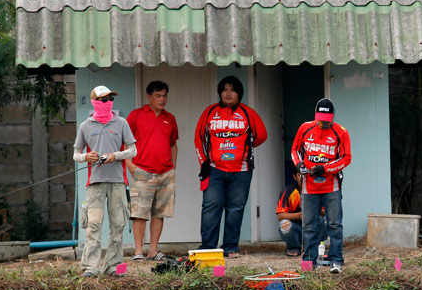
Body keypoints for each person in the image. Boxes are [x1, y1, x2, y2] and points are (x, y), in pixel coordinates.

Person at [194, 76, 267, 257]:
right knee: (211, 207)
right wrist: (203, 161)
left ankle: (230, 247)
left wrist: (245, 148)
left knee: (235, 209)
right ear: (220, 92)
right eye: (225, 89)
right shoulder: (210, 112)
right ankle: (208, 247)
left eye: (232, 90)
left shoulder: (248, 113)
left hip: (241, 171)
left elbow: (261, 135)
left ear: (239, 94)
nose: (228, 93)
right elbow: (199, 138)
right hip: (214, 169)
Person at [74, 85, 136, 277]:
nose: (108, 103)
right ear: (95, 102)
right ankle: (90, 268)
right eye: (103, 100)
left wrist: (115, 156)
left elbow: (133, 150)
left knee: (118, 225)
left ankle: (114, 267)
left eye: (110, 99)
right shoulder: (85, 126)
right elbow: (75, 154)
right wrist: (86, 157)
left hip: (118, 182)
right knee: (93, 225)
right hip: (95, 184)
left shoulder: (122, 123)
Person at [291, 98, 351, 273]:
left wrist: (324, 168)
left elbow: (346, 158)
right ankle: (308, 263)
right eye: (320, 118)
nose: (323, 122)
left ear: (332, 117)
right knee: (309, 224)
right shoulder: (305, 128)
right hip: (309, 186)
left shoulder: (341, 132)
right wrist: (300, 165)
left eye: (327, 118)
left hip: (331, 185)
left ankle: (336, 261)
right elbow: (295, 150)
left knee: (334, 224)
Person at [126, 80, 179, 262]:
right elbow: (126, 142)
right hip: (142, 170)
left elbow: (173, 144)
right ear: (149, 96)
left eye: (164, 95)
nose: (162, 99)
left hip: (165, 172)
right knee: (139, 212)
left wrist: (173, 166)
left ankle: (153, 251)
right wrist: (129, 164)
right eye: (158, 95)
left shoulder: (170, 118)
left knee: (160, 212)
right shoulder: (136, 116)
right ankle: (138, 251)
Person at [276, 170, 326, 256]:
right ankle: (294, 248)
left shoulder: (318, 190)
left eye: (306, 175)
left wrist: (312, 211)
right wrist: (298, 216)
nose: (303, 178)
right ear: (295, 177)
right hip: (297, 229)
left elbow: (326, 211)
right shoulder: (288, 191)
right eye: (300, 175)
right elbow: (280, 216)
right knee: (284, 224)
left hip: (314, 226)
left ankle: (315, 247)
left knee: (327, 221)